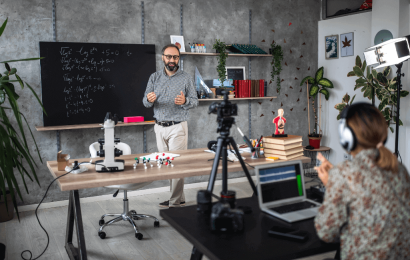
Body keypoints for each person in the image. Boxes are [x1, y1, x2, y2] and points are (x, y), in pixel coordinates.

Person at [314, 103, 410, 259]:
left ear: (346, 137)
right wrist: (337, 181)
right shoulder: (400, 169)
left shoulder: (345, 174)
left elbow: (327, 233)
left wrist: (333, 185)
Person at [143, 44, 198, 208]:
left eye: (175, 57)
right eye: (169, 56)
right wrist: (149, 100)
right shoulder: (154, 77)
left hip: (177, 127)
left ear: (178, 59)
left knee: (177, 165)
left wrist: (185, 101)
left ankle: (174, 204)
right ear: (163, 58)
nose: (172, 60)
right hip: (159, 127)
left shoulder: (186, 78)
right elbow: (145, 102)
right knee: (167, 166)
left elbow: (195, 101)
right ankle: (179, 198)